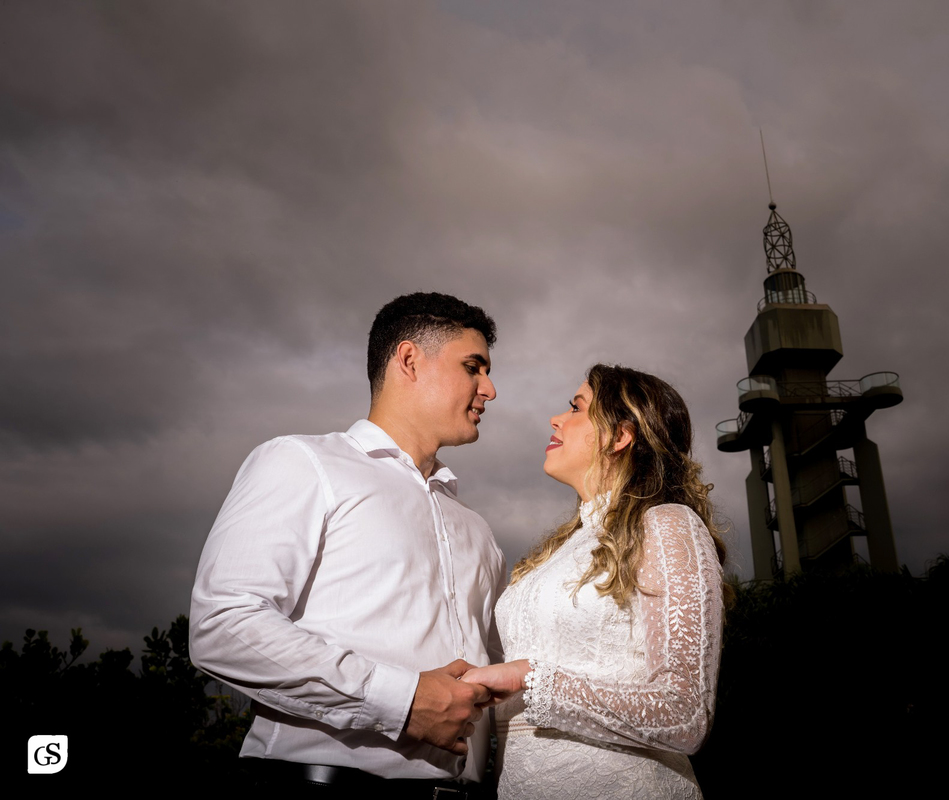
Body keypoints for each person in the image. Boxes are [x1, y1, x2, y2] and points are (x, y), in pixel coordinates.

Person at [190, 292, 506, 793]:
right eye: (474, 367)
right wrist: (402, 701)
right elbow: (223, 625)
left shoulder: (479, 531)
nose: (489, 388)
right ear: (408, 360)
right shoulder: (302, 462)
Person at [462, 364, 726, 799]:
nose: (556, 419)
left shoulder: (668, 525)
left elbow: (686, 716)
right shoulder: (556, 551)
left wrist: (531, 680)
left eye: (576, 407)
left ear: (620, 436)